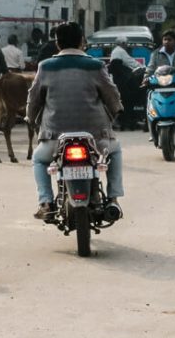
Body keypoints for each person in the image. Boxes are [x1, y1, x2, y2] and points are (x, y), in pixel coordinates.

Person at [26, 21, 124, 220]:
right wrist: (115, 112)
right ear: (81, 41)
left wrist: (31, 117)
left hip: (55, 138)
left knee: (39, 159)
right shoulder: (96, 66)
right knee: (116, 151)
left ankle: (45, 202)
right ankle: (113, 199)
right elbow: (112, 96)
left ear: (57, 43)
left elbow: (33, 98)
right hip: (96, 138)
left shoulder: (45, 67)